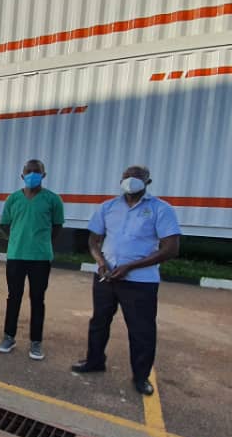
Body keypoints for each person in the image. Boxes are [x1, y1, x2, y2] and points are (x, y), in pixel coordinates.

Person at [72, 165, 181, 396]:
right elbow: (93, 241)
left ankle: (141, 377)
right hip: (106, 277)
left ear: (148, 182)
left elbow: (171, 248)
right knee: (99, 322)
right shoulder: (108, 207)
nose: (131, 181)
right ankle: (94, 361)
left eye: (137, 177)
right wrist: (100, 261)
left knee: (141, 330)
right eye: (127, 177)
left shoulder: (161, 209)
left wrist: (131, 266)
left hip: (141, 282)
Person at [0, 159, 65, 361]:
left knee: (37, 300)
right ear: (22, 174)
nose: (32, 174)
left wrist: (40, 242)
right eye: (29, 171)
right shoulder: (13, 199)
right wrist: (18, 240)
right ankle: (9, 337)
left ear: (44, 175)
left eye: (37, 171)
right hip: (16, 256)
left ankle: (36, 342)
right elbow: (6, 224)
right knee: (13, 297)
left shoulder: (53, 200)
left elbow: (57, 227)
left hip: (41, 258)